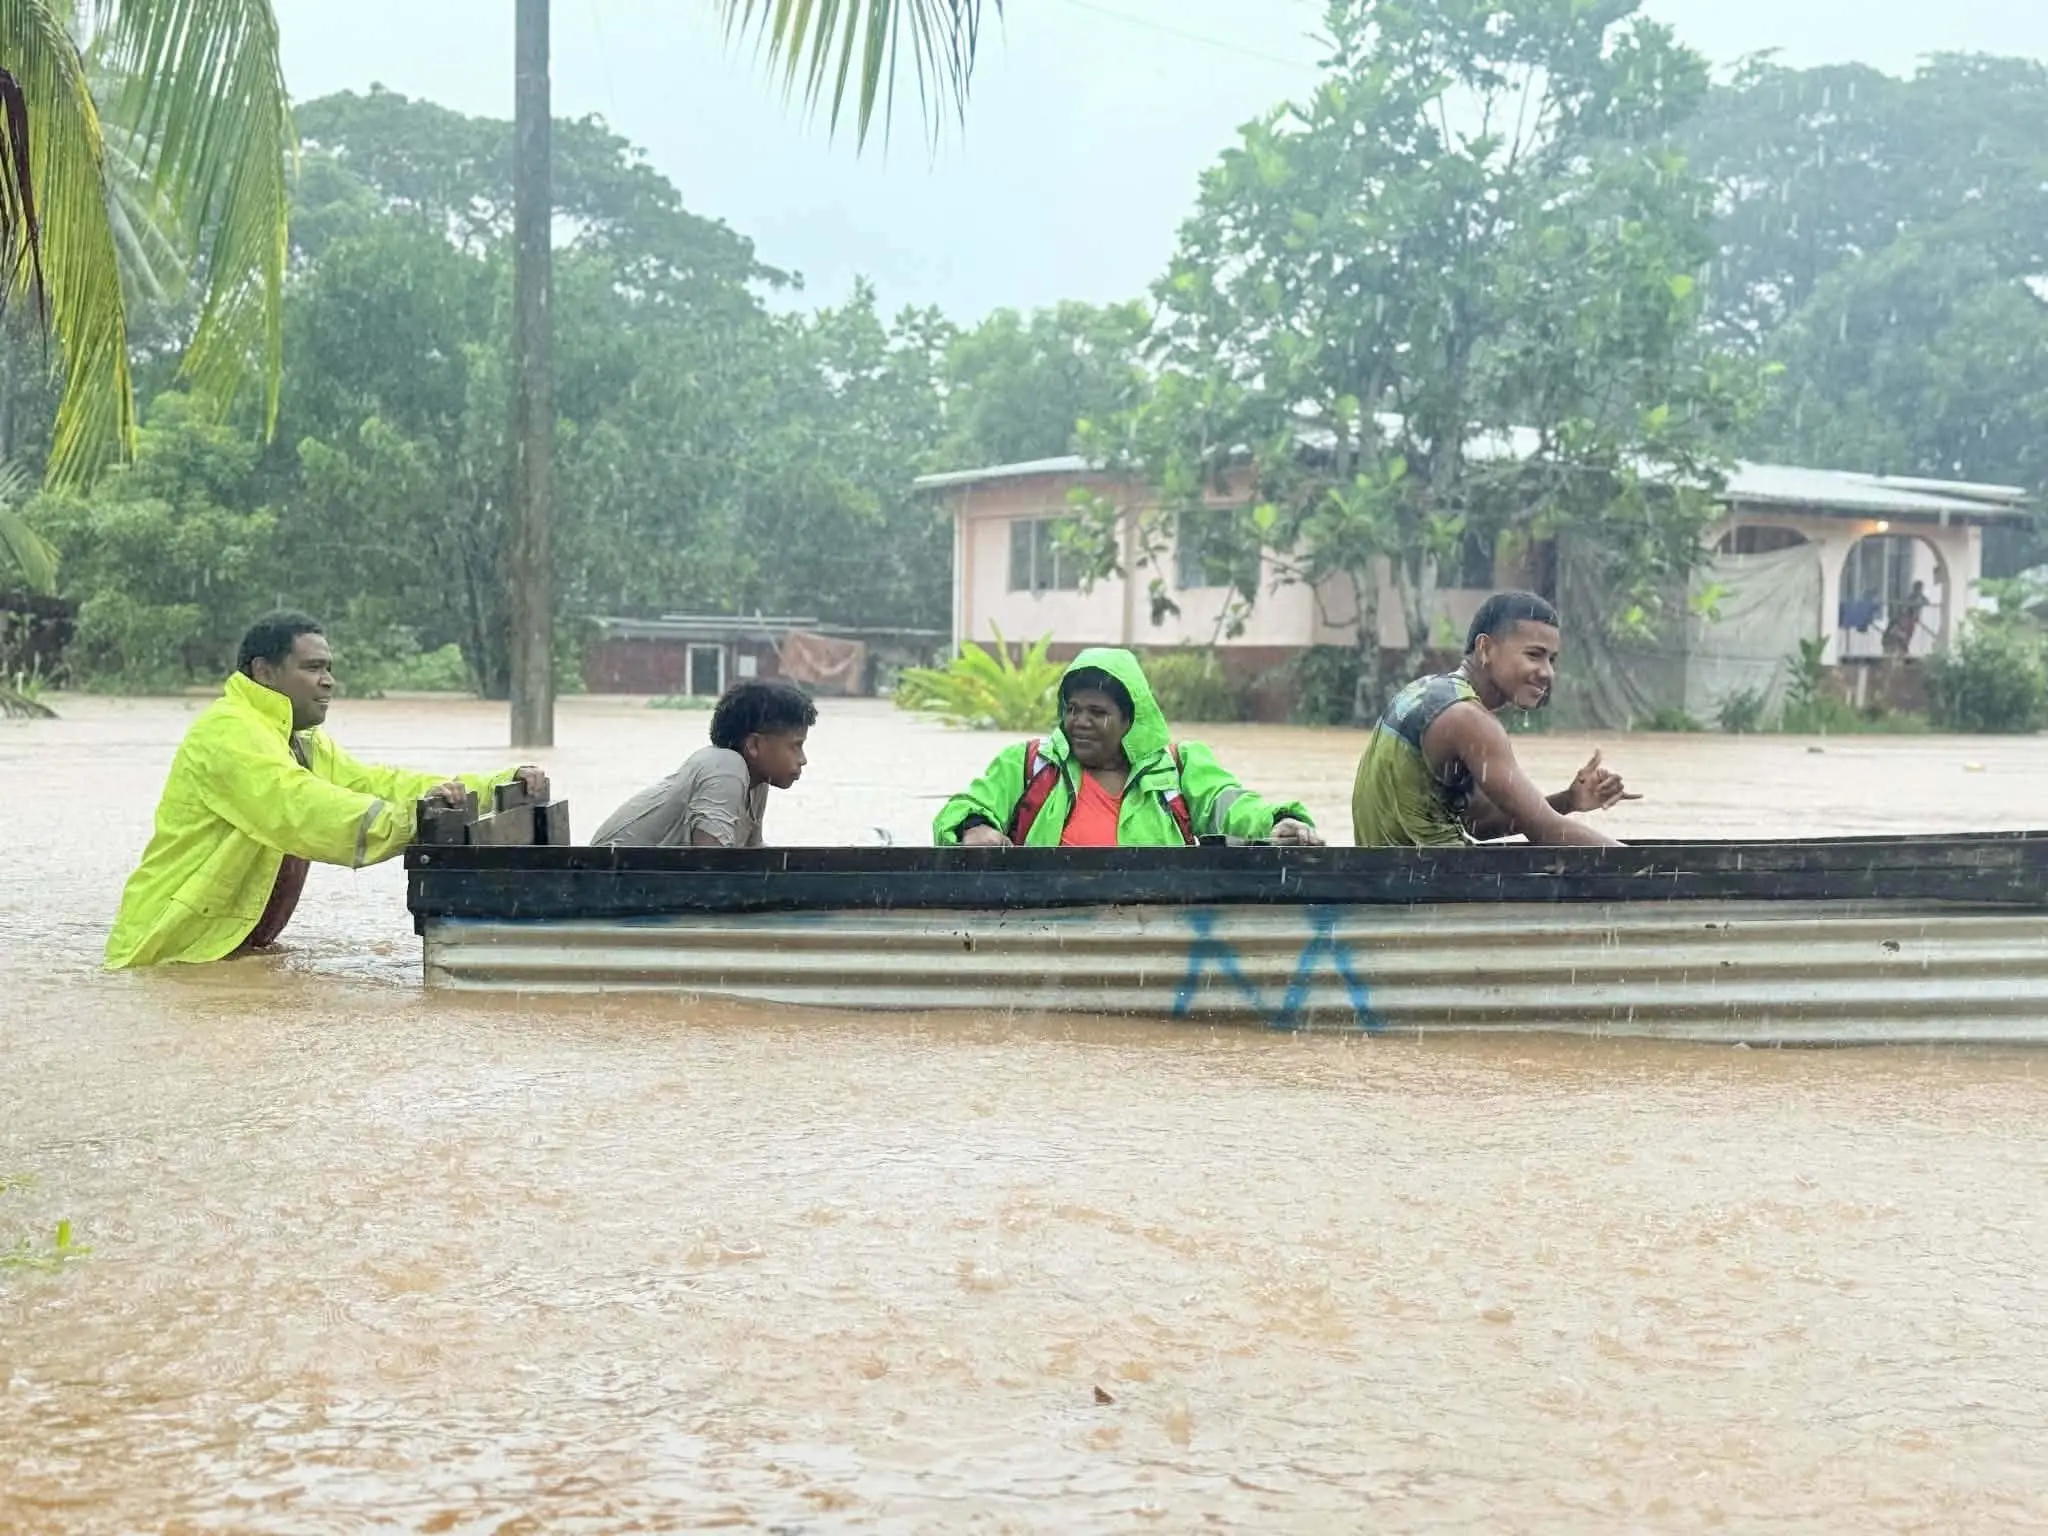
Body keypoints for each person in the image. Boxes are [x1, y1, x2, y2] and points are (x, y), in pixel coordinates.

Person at [106, 612, 546, 968]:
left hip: (220, 952)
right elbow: (301, 809)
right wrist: (409, 818)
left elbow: (377, 783)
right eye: (312, 667)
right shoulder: (228, 734)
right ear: (264, 672)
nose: (328, 681)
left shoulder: (299, 741)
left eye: (329, 668)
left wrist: (491, 786)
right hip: (167, 952)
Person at [934, 647, 1323, 848]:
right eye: (1072, 709)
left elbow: (1232, 805)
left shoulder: (1180, 766)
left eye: (1097, 712)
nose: (1079, 722)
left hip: (1159, 939)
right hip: (1046, 936)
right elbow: (962, 808)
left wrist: (1277, 822)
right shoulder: (1029, 765)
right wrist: (974, 827)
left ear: (1129, 721)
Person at [1351, 591, 1635, 848]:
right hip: (1437, 890)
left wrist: (1569, 800)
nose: (1547, 672)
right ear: (1486, 648)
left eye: (1552, 660)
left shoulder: (1427, 692)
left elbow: (1480, 823)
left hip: (1395, 882)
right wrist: (1647, 869)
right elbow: (1547, 831)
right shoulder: (1469, 720)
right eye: (1534, 655)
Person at [590, 676, 814, 847]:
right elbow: (709, 868)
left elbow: (753, 857)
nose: (803, 760)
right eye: (796, 746)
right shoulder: (726, 767)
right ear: (754, 746)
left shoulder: (757, 782)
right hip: (601, 878)